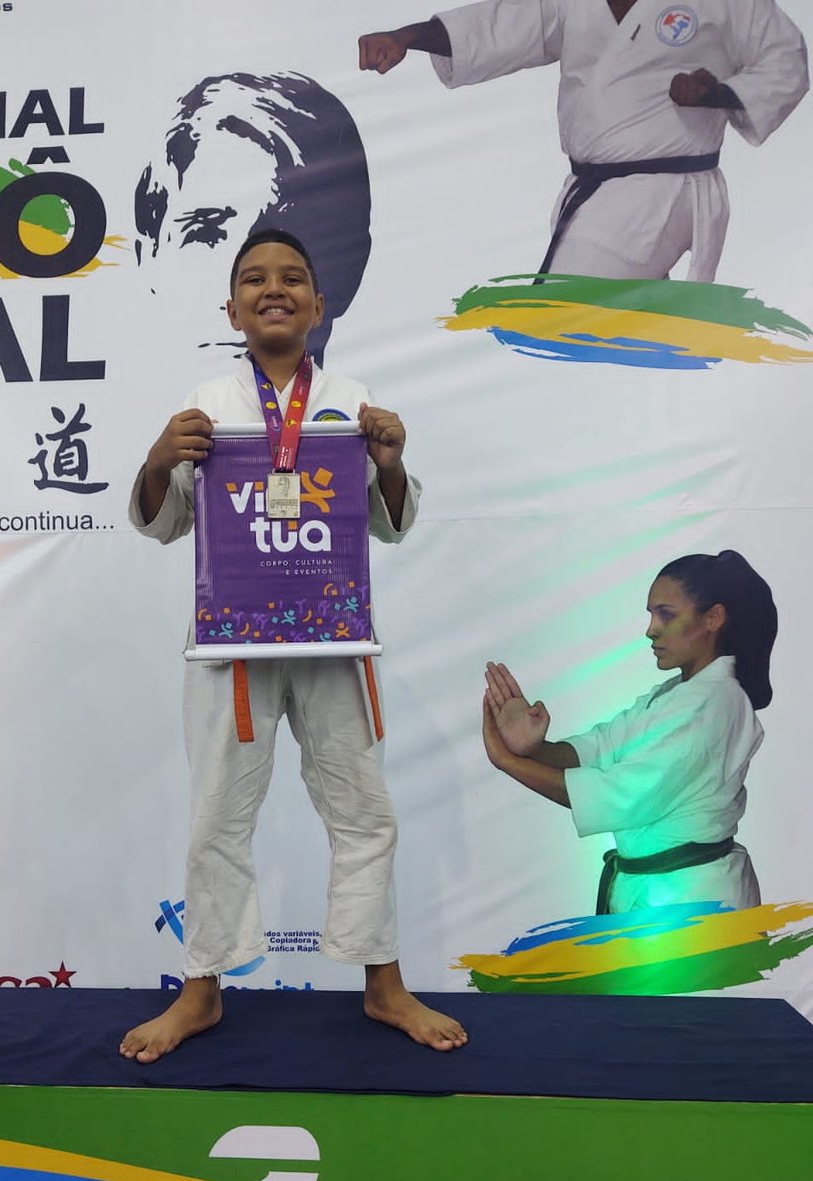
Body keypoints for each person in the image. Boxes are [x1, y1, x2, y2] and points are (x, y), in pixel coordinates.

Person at [121, 229, 468, 1062]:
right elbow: (162, 522)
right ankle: (202, 987)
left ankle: (383, 984)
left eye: (292, 279)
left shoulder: (351, 399)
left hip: (330, 639)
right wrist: (159, 455)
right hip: (233, 647)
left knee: (363, 809)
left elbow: (389, 523)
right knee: (215, 817)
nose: (272, 289)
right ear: (232, 307)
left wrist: (387, 460)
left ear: (318, 303)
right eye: (253, 280)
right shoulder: (204, 402)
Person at [359, 1, 808, 280]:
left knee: (568, 315)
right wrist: (408, 37)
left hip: (662, 192)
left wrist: (718, 95)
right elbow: (503, 23)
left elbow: (786, 60)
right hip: (595, 191)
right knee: (624, 331)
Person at [482, 551, 776, 915]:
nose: (651, 628)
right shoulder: (672, 694)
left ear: (713, 618)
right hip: (657, 895)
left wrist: (508, 761)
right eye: (652, 614)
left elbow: (624, 794)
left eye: (666, 614)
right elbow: (602, 745)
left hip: (694, 902)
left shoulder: (717, 703)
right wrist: (533, 746)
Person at [134, 71, 372, 366]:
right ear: (147, 253)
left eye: (282, 239)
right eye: (207, 232)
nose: (259, 287)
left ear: (350, 268)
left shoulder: (360, 405)